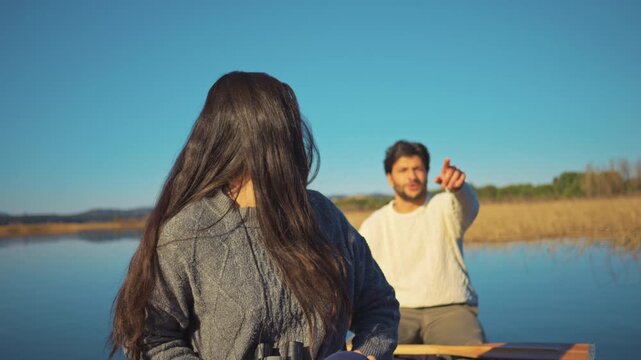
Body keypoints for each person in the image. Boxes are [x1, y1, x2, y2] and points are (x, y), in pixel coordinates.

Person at [110, 72, 399, 360]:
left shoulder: (324, 216)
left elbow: (379, 305)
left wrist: (363, 355)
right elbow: (150, 339)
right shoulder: (186, 232)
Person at [359, 140, 484, 346]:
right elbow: (361, 279)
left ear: (427, 172)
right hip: (395, 312)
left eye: (418, 169)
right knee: (368, 350)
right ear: (390, 178)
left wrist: (459, 187)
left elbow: (468, 205)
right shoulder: (374, 224)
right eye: (403, 170)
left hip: (450, 308)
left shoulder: (444, 205)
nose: (412, 176)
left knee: (469, 352)